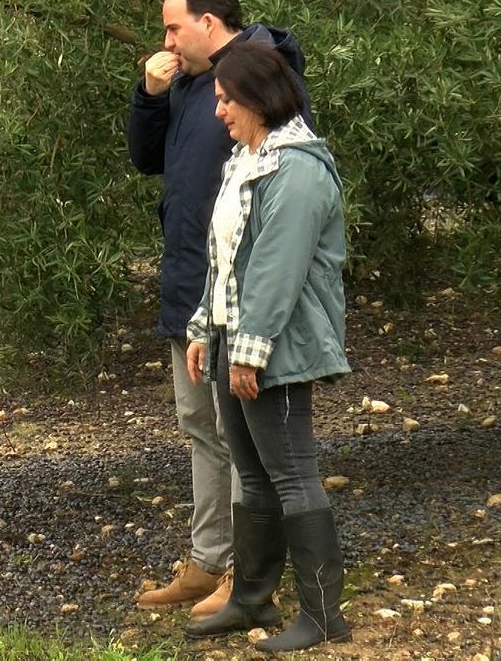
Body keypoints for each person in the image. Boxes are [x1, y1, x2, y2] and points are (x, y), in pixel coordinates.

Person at [126, 0, 312, 618]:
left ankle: (247, 572)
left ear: (209, 23)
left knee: (244, 439)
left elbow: (281, 183)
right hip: (188, 289)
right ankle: (208, 562)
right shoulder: (185, 85)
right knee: (199, 427)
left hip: (236, 294)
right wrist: (150, 94)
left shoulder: (261, 74)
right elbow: (147, 159)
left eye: (174, 27)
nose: (167, 41)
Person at [182, 42, 352, 653]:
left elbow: (278, 268)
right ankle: (251, 597)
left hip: (277, 343)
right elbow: (226, 259)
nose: (219, 111)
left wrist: (250, 351)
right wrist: (207, 328)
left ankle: (325, 616)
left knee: (293, 474)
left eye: (227, 100)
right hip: (238, 336)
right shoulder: (247, 160)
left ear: (258, 98)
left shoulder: (298, 168)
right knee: (252, 477)